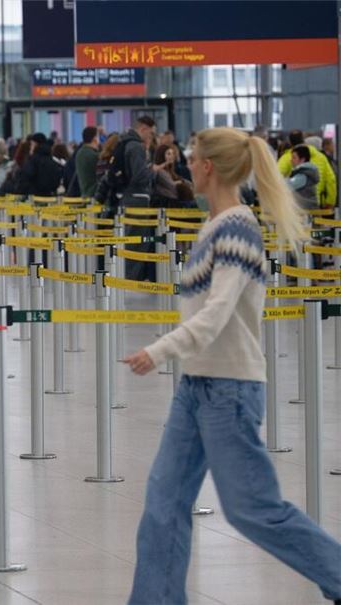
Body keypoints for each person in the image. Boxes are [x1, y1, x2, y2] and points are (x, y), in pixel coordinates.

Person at [124, 127, 341, 605]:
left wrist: (158, 351)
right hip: (196, 387)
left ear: (208, 167)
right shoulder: (215, 225)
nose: (186, 164)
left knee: (253, 510)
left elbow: (216, 315)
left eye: (192, 158)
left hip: (230, 390)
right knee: (163, 503)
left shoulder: (238, 229)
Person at [96, 116, 158, 280]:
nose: (151, 137)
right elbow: (140, 176)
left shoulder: (124, 143)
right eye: (151, 133)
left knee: (128, 241)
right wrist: (153, 171)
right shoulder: (136, 146)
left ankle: (124, 279)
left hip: (125, 197)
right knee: (135, 244)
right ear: (143, 128)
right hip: (137, 199)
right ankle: (129, 281)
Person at [276, 129, 336, 208]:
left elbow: (276, 176)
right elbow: (331, 180)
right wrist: (330, 201)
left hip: (299, 203)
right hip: (318, 202)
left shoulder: (287, 157)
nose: (291, 160)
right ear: (303, 140)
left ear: (290, 142)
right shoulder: (321, 157)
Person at [287, 144, 320, 210]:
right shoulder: (307, 172)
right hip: (309, 207)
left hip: (305, 209)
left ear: (302, 159)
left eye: (294, 157)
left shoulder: (303, 175)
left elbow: (287, 186)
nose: (291, 160)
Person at [74, 126, 101, 198]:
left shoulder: (80, 152)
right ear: (95, 139)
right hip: (94, 194)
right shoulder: (93, 155)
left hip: (84, 193)